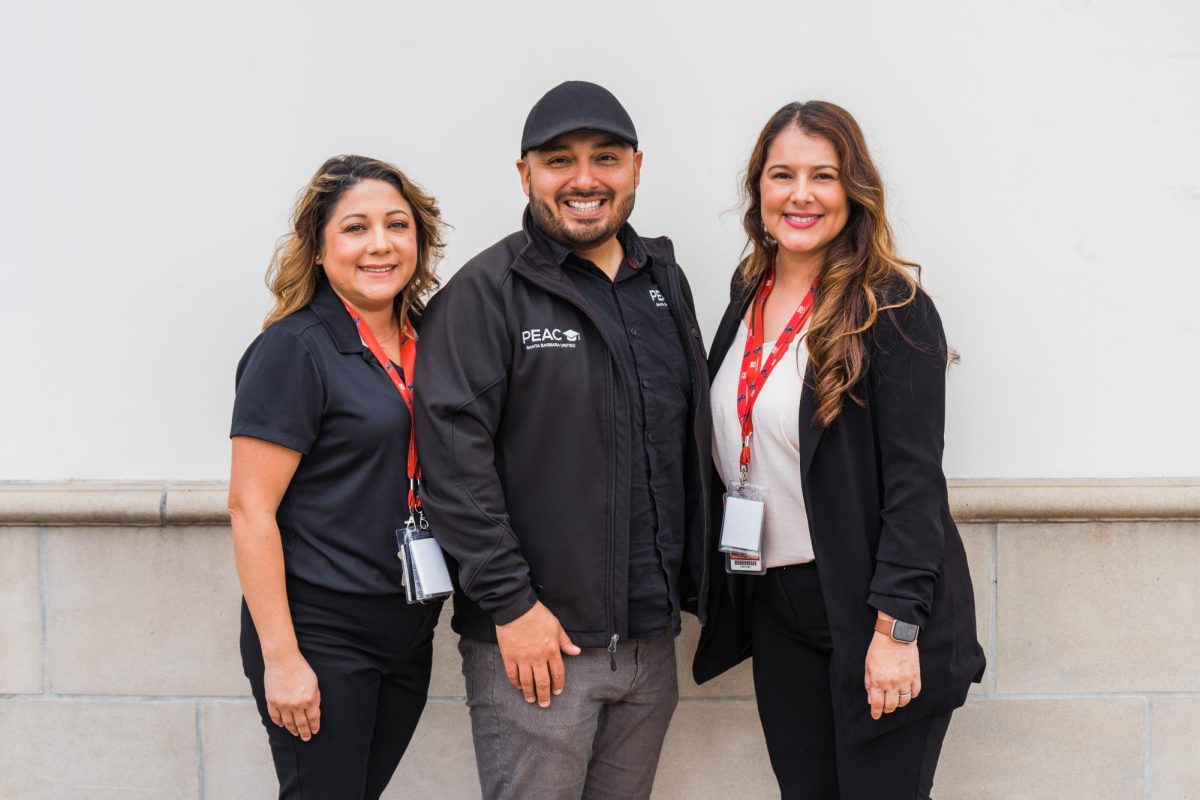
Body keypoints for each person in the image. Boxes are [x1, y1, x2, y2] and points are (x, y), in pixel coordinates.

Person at [414, 81, 712, 800]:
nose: (584, 179)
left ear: (637, 167)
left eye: (605, 158)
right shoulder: (486, 293)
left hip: (648, 645)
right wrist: (513, 609)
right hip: (536, 649)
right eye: (559, 161)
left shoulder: (662, 283)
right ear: (526, 175)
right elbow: (455, 465)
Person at [693, 101, 986, 799]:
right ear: (757, 189)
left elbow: (916, 485)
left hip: (873, 606)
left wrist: (897, 631)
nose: (801, 194)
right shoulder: (747, 293)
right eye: (782, 174)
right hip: (780, 605)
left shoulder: (892, 306)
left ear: (853, 190)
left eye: (823, 175)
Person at [227, 154, 447, 799]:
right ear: (320, 251)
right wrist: (283, 659)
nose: (379, 244)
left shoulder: (434, 340)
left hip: (408, 625)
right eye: (355, 228)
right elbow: (249, 508)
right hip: (323, 633)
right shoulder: (294, 350)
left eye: (397, 225)